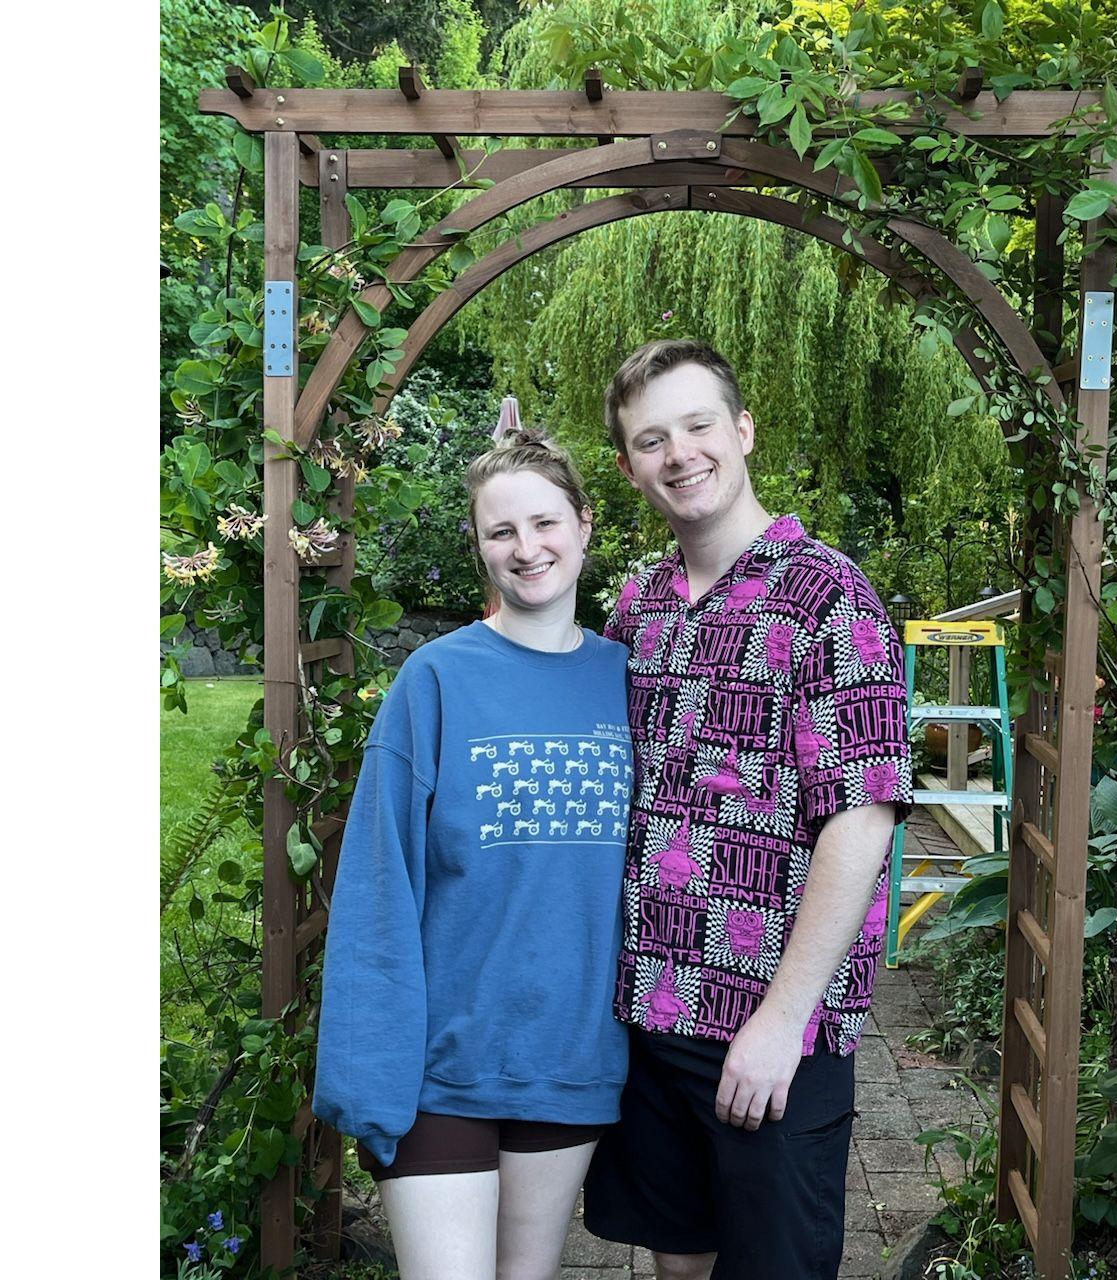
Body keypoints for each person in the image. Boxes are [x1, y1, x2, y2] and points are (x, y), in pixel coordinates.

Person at [582, 341, 913, 1280]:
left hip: (772, 1033)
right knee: (680, 1262)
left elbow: (864, 816)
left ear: (743, 430)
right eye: (652, 439)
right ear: (628, 466)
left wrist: (783, 1018)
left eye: (697, 425)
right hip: (650, 1010)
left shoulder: (830, 597)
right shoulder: (638, 607)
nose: (679, 453)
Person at [314, 429, 633, 1280]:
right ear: (479, 545)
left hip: (569, 1060)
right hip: (440, 1066)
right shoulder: (436, 679)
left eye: (545, 523)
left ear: (584, 524)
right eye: (502, 532)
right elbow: (379, 881)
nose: (527, 549)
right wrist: (369, 1071)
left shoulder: (629, 681)